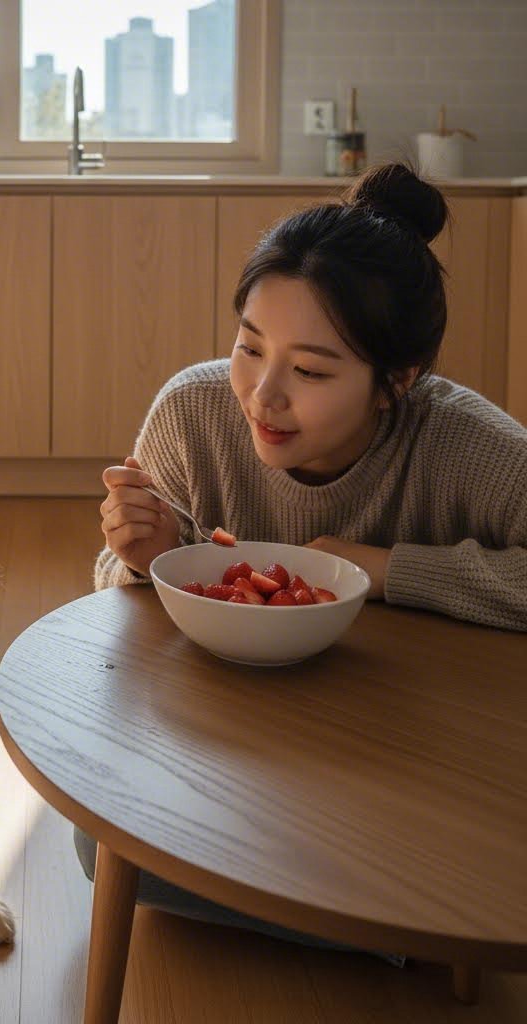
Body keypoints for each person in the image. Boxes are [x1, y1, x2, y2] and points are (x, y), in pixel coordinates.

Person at [76, 162, 527, 962]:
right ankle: (405, 931)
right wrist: (147, 560)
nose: (260, 395)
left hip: (404, 753)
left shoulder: (465, 446)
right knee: (100, 852)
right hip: (232, 743)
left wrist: (388, 570)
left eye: (311, 371)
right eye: (250, 347)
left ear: (398, 381)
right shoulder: (193, 410)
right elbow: (115, 610)